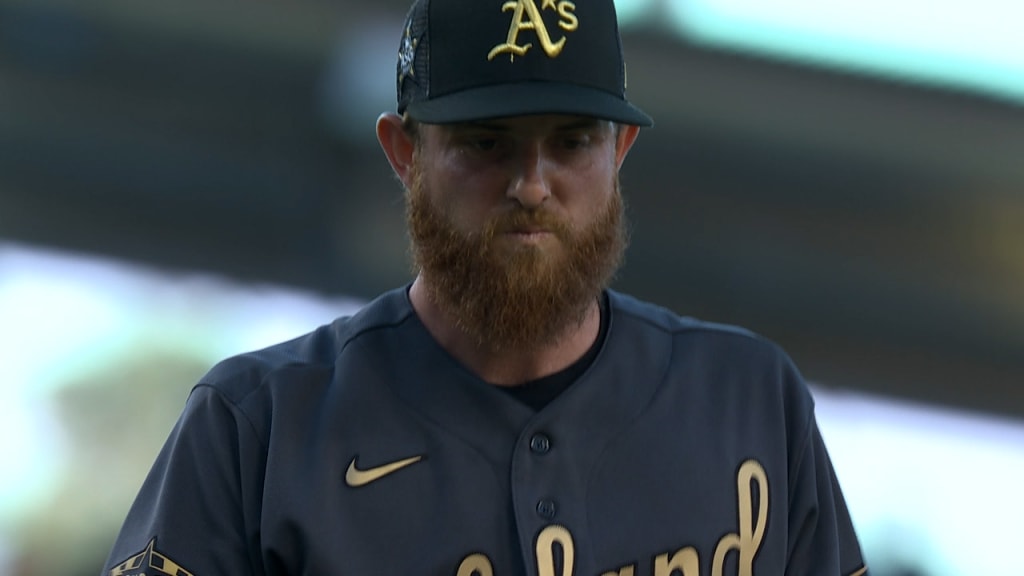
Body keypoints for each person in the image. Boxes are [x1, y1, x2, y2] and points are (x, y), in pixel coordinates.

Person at [103, 0, 868, 574]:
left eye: (571, 142)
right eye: (485, 143)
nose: (532, 185)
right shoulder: (256, 430)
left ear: (622, 149)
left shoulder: (750, 403)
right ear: (403, 152)